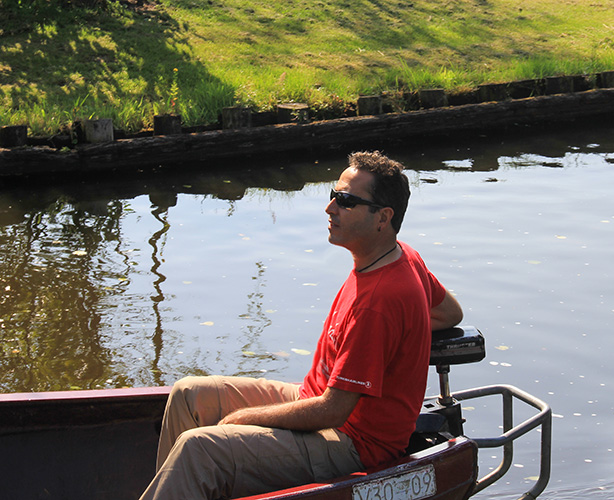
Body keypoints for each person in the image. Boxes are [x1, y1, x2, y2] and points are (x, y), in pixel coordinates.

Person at [140, 151, 463, 500]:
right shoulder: (402, 255)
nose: (330, 208)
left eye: (346, 201)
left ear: (383, 218)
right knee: (189, 394)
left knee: (200, 448)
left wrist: (244, 419)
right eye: (333, 195)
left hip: (352, 442)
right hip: (315, 395)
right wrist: (403, 336)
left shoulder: (378, 304)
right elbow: (450, 313)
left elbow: (334, 411)